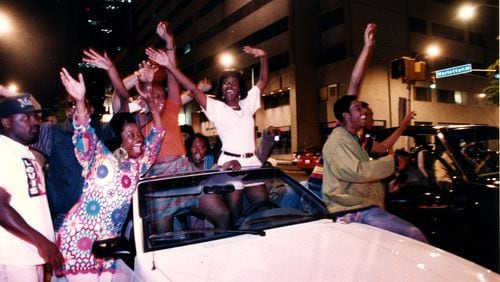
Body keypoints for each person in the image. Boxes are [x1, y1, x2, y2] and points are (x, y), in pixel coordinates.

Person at [55, 68, 165, 280]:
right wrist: (79, 101)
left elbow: (158, 134)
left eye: (139, 134)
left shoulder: (137, 165)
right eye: (130, 135)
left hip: (108, 243)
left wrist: (151, 102)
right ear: (118, 139)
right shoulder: (99, 157)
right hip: (80, 238)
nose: (138, 139)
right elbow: (84, 130)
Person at [146, 43, 270, 219]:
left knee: (264, 211)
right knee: (234, 217)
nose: (228, 86)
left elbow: (263, 81)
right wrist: (169, 66)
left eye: (233, 83)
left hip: (252, 163)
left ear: (239, 87)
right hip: (230, 165)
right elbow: (193, 89)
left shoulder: (247, 104)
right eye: (225, 83)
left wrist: (263, 56)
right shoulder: (217, 107)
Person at [322, 95, 427, 242]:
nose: (364, 113)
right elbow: (358, 172)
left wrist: (384, 188)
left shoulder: (353, 139)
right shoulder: (339, 141)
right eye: (358, 109)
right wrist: (394, 163)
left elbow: (360, 178)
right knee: (412, 235)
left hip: (361, 205)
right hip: (353, 209)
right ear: (346, 116)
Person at [0, 94, 63, 281]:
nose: (35, 122)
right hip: (15, 257)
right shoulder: (3, 151)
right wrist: (42, 242)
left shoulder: (23, 151)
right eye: (25, 117)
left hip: (30, 254)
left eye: (35, 116)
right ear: (6, 122)